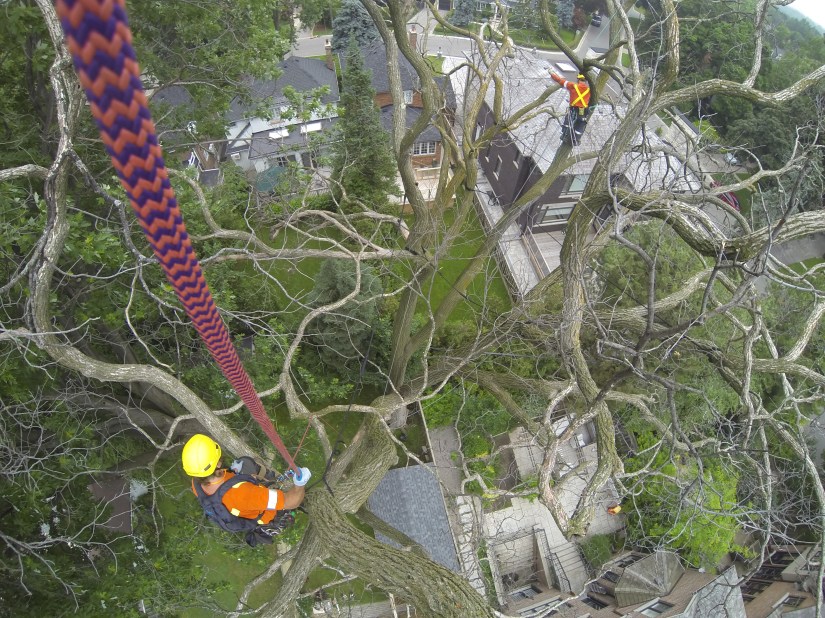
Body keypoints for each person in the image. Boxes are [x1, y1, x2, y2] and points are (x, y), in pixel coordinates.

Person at [182, 434, 311, 546]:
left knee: (246, 463)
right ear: (217, 464)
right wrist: (300, 484)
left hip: (242, 502)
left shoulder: (196, 484)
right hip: (269, 513)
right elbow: (291, 501)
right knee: (294, 499)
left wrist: (236, 475)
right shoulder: (242, 494)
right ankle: (305, 503)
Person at [549, 70, 591, 146]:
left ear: (578, 79)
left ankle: (565, 135)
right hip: (583, 110)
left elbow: (560, 81)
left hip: (574, 109)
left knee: (569, 120)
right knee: (581, 122)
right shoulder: (589, 90)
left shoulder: (573, 85)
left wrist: (552, 74)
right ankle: (576, 139)